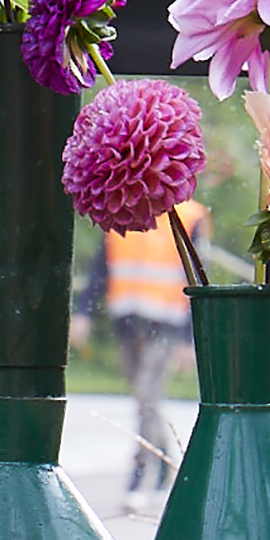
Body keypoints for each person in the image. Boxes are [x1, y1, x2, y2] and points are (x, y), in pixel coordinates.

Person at [74, 200, 209, 511]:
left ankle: (139, 475)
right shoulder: (121, 205)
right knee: (145, 401)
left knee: (147, 397)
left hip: (165, 324)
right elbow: (101, 264)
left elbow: (198, 277)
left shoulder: (189, 216)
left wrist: (189, 339)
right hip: (128, 322)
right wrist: (83, 312)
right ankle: (165, 464)